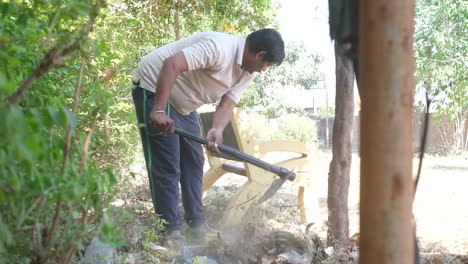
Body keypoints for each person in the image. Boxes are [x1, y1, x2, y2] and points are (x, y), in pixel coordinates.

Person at [131, 28, 285, 243]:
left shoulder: (246, 72)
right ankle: (170, 231)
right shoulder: (219, 47)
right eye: (267, 64)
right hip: (154, 87)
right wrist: (157, 110)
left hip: (184, 105)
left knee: (194, 161)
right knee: (167, 163)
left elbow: (228, 102)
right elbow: (171, 64)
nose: (264, 70)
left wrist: (217, 129)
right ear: (260, 55)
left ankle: (197, 225)